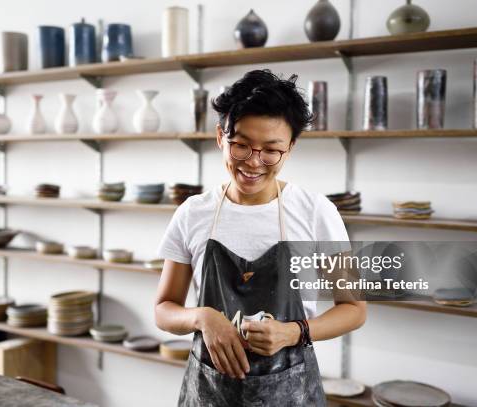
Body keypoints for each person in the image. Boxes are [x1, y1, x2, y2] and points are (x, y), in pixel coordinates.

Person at [155, 70, 366, 406]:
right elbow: (164, 310)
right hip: (209, 391)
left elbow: (354, 308)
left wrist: (294, 332)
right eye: (241, 145)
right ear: (220, 137)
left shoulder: (315, 212)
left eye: (271, 150)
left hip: (291, 392)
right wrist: (201, 317)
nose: (253, 162)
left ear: (291, 146)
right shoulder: (193, 213)